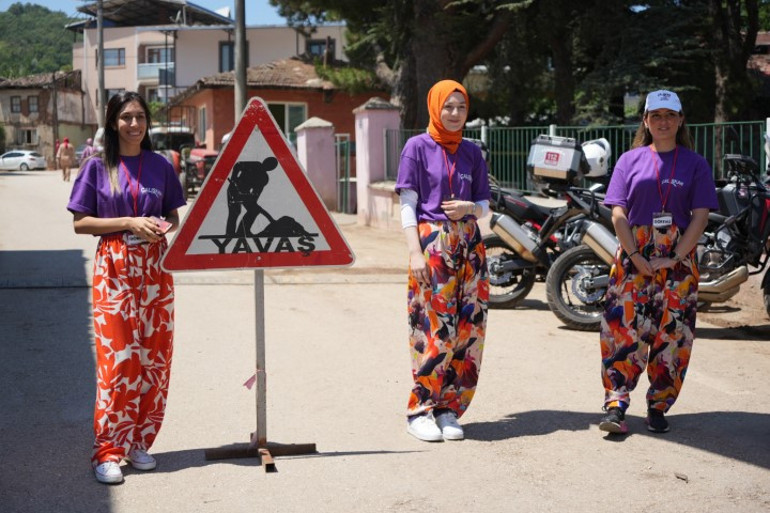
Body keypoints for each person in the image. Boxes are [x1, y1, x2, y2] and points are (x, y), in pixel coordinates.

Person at [66, 91, 186, 484]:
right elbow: (80, 223)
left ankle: (138, 441)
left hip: (155, 270)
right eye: (126, 117)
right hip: (115, 268)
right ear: (112, 122)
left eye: (140, 117)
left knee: (153, 360)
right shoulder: (97, 167)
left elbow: (173, 213)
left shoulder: (161, 165)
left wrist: (161, 227)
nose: (134, 125)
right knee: (118, 361)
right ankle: (107, 450)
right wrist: (129, 222)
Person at [598, 90, 718, 435]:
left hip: (678, 256)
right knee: (623, 328)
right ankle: (617, 403)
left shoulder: (695, 164)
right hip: (633, 252)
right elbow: (618, 212)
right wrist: (635, 254)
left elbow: (700, 215)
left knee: (673, 333)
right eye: (656, 115)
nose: (663, 121)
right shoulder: (629, 160)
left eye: (670, 115)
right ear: (646, 121)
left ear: (680, 120)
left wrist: (677, 255)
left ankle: (659, 405)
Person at [395, 79, 491, 442]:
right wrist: (414, 251)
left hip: (470, 244)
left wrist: (471, 208)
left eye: (461, 107)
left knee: (469, 329)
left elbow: (484, 204)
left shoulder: (472, 152)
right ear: (435, 107)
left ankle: (449, 407)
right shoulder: (416, 147)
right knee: (435, 328)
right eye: (448, 107)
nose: (454, 114)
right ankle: (420, 408)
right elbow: (407, 203)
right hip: (432, 243)